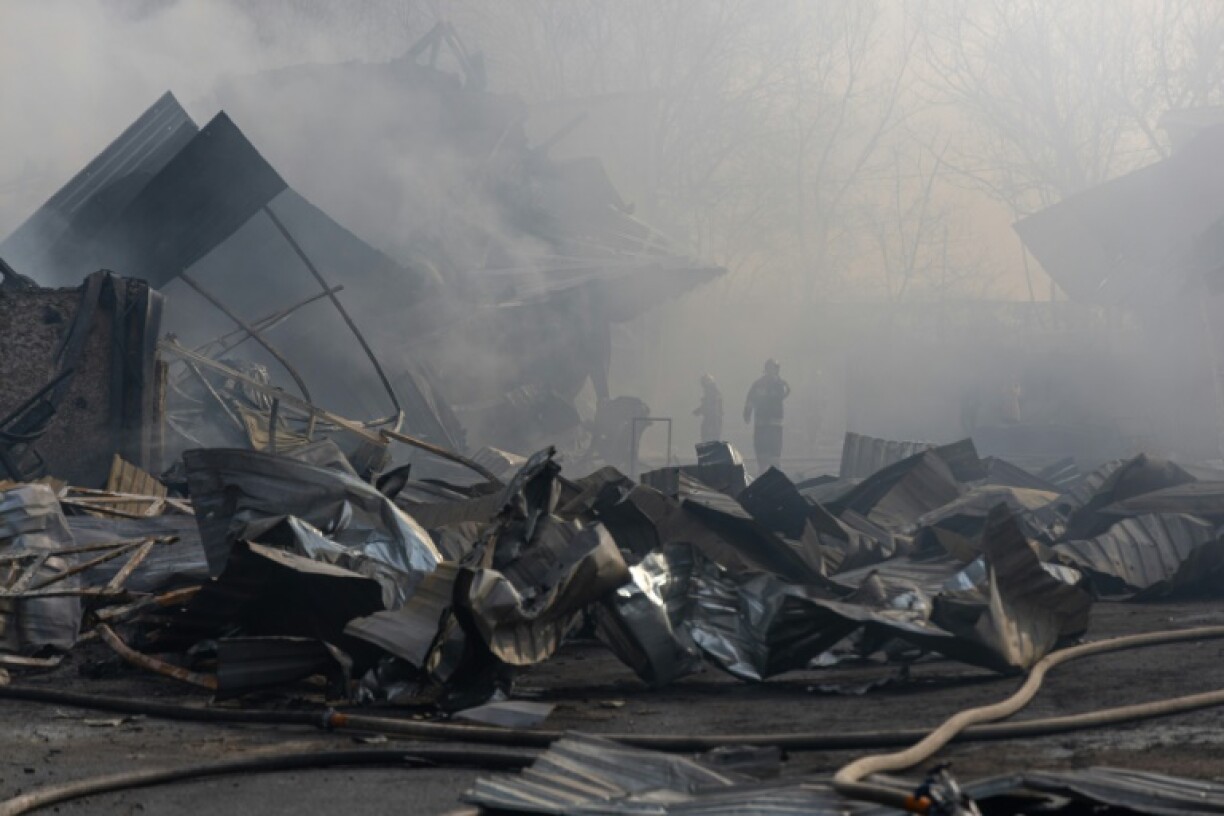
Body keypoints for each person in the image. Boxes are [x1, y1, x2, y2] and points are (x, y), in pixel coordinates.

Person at [743, 358, 790, 473]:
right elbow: (750, 399)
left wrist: (777, 382)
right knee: (761, 449)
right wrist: (747, 412)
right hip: (761, 423)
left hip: (775, 424)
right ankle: (762, 472)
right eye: (768, 368)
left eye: (772, 368)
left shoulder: (780, 384)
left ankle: (776, 474)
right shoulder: (758, 384)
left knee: (774, 450)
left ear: (776, 370)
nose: (770, 371)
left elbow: (784, 393)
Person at [693, 374, 724, 443]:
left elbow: (709, 406)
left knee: (709, 437)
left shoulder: (712, 392)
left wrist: (699, 410)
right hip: (713, 419)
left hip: (712, 419)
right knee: (711, 436)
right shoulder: (714, 392)